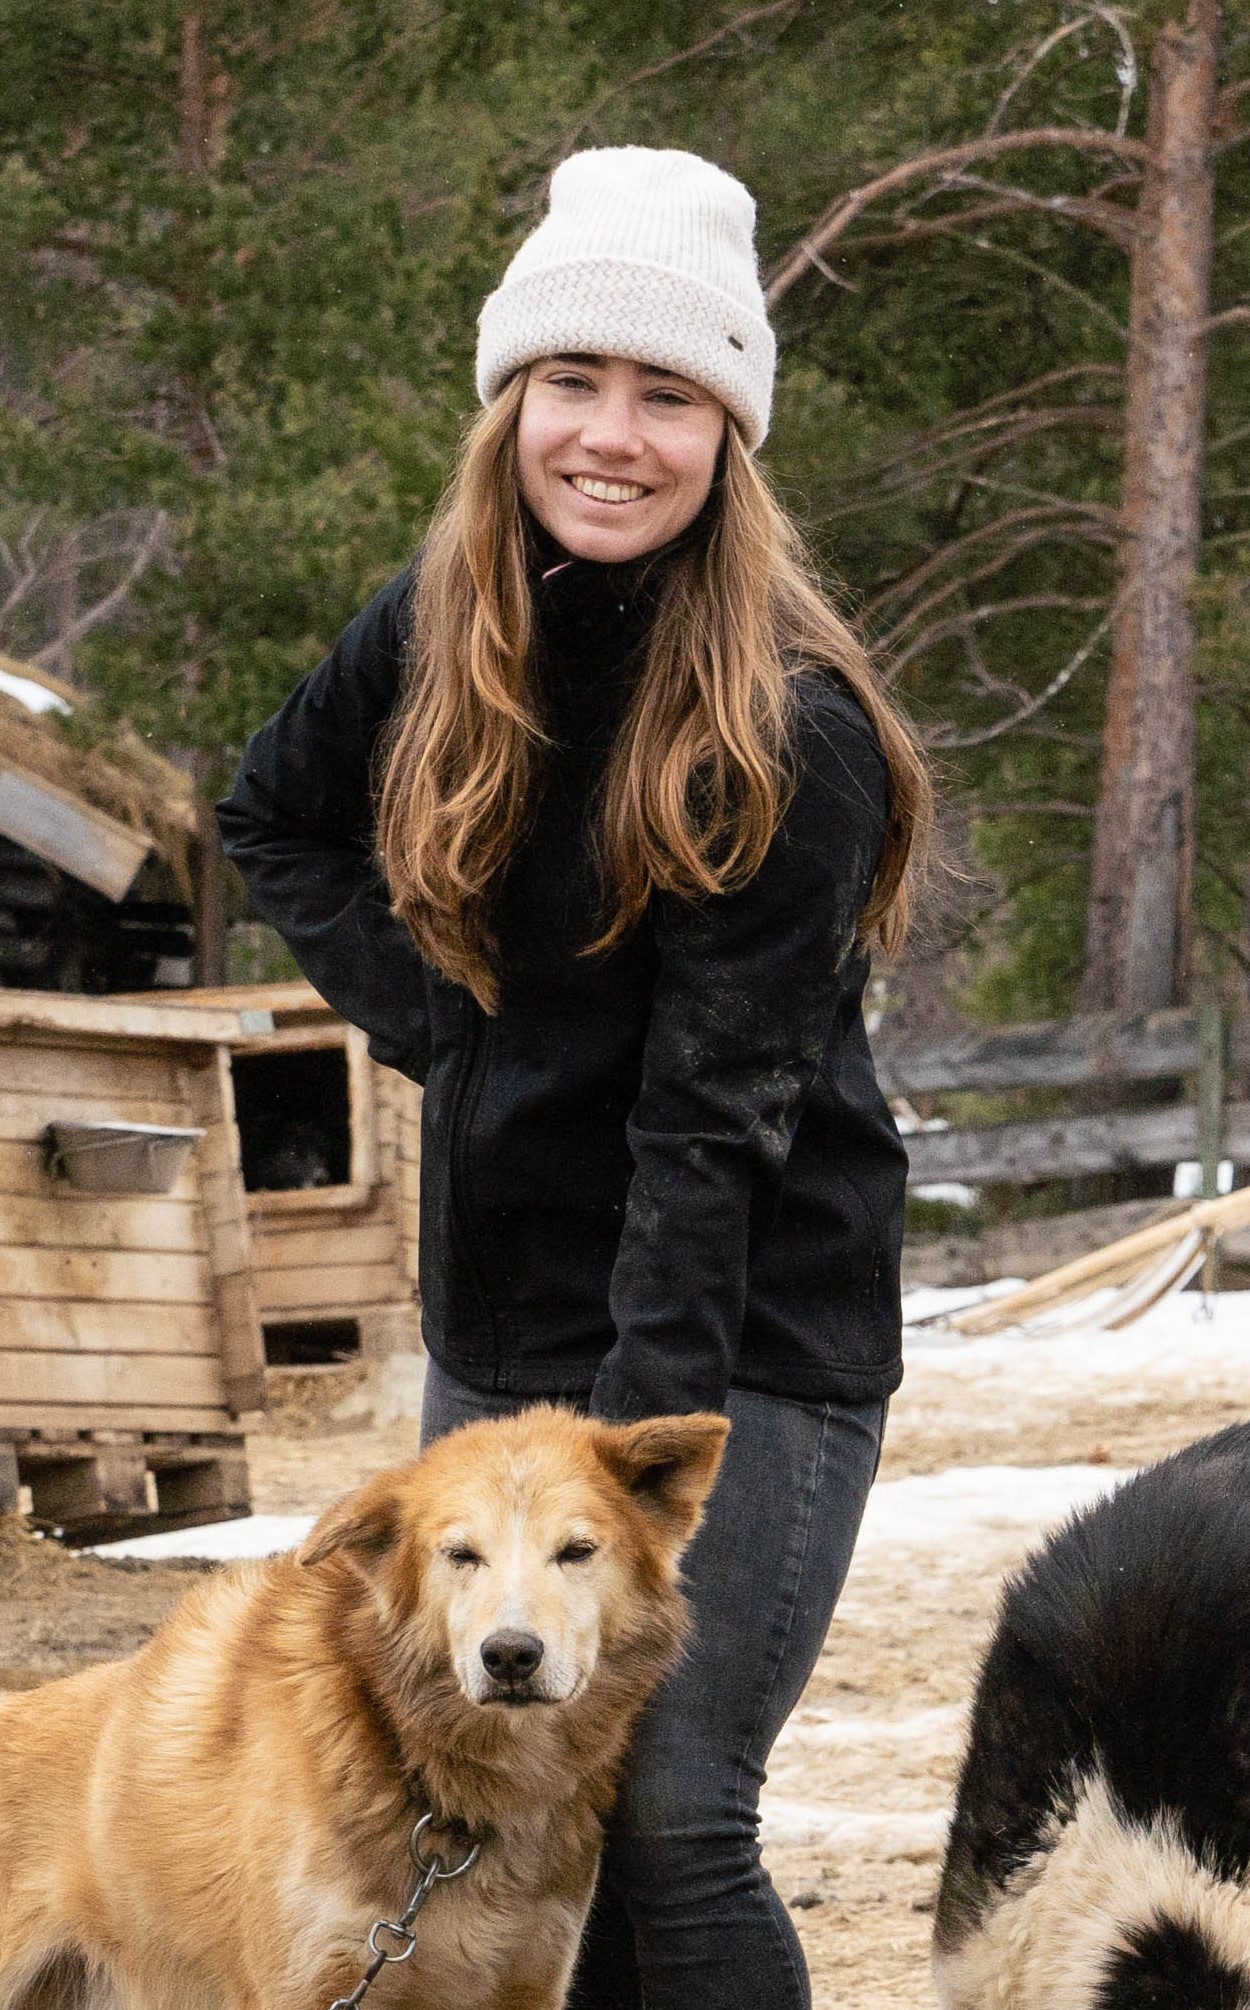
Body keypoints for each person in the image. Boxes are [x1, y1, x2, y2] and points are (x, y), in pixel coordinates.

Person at [218, 145, 931, 2010]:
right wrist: (447, 1023)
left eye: (667, 395)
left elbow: (709, 1140)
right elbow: (272, 812)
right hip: (504, 1303)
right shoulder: (440, 618)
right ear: (510, 401)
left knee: (670, 1815)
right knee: (507, 1826)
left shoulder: (788, 726)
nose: (611, 436)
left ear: (728, 434)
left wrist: (627, 1472)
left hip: (742, 1326)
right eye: (572, 381)